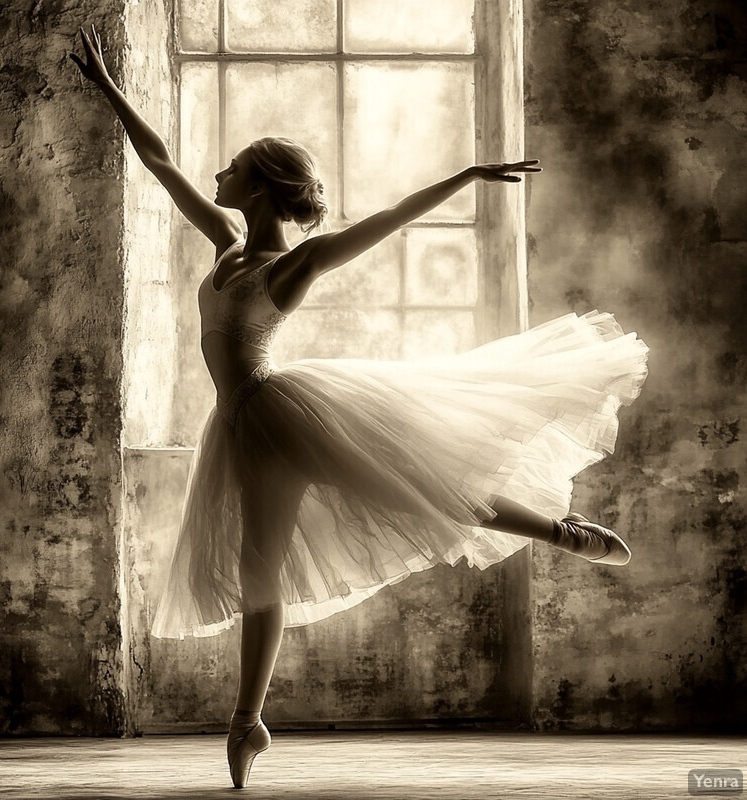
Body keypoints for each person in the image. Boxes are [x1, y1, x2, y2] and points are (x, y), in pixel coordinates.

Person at [71, 26, 649, 789]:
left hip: (285, 413)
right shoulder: (222, 243)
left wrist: (466, 176)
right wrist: (113, 91)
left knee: (423, 494)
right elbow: (161, 163)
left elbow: (387, 224)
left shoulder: (295, 263)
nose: (219, 172)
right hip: (244, 428)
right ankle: (248, 724)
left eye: (235, 167)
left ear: (264, 186)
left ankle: (559, 530)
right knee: (259, 571)